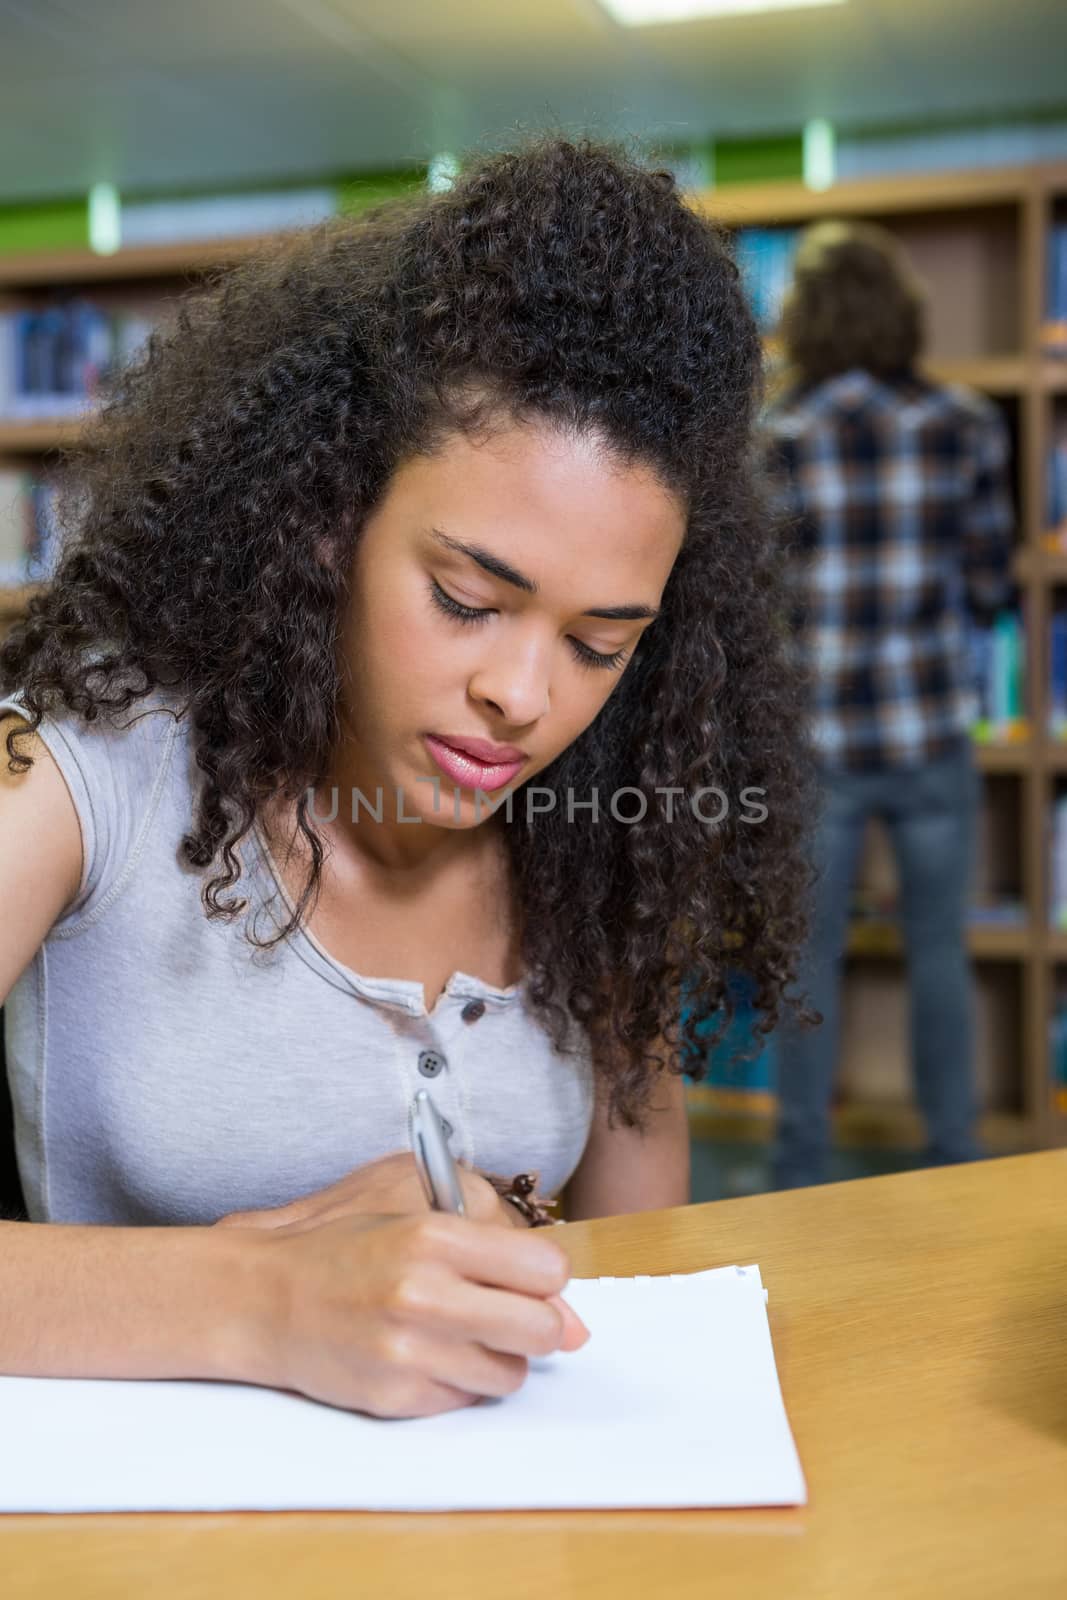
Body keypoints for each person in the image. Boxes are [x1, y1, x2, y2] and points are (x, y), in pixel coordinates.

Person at [0, 137, 813, 1418]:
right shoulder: (80, 766)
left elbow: (634, 1287)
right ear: (326, 520)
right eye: (465, 597)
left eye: (601, 641)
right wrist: (268, 1299)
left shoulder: (611, 828)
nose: (526, 698)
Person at [762, 220, 1014, 1190]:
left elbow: (756, 597)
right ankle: (951, 1156)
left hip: (814, 740)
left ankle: (796, 1169)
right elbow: (989, 585)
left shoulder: (776, 437)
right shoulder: (964, 424)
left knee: (804, 967)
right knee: (937, 953)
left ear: (806, 322)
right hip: (927, 734)